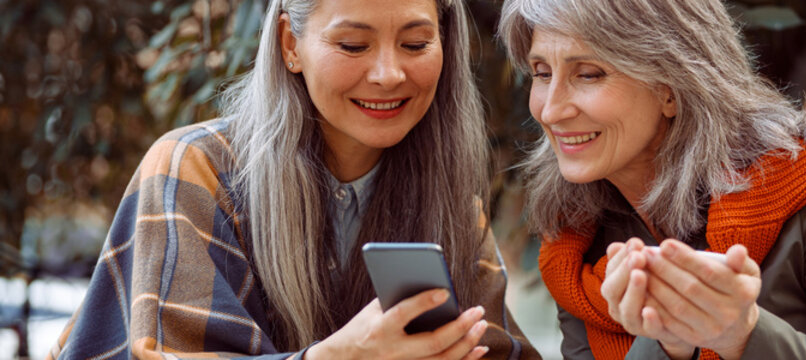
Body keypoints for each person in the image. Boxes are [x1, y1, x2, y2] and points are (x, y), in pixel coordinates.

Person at [48, 0, 538, 358]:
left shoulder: (452, 199)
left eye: (415, 43)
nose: (390, 73)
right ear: (290, 44)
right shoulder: (192, 168)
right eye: (353, 44)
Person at [498, 0, 806, 358]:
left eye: (588, 74)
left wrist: (742, 334)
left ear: (671, 87)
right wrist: (669, 338)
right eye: (541, 73)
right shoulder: (575, 240)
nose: (551, 110)